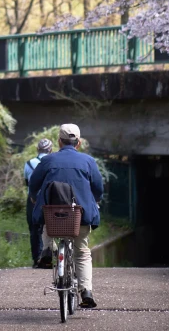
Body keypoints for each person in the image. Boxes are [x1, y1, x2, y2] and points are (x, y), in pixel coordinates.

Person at [28, 123, 103, 309]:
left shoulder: (48, 160)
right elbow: (99, 188)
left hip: (54, 215)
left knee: (46, 221)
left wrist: (33, 198)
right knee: (82, 253)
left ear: (59, 142)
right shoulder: (88, 161)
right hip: (80, 215)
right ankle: (86, 291)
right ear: (78, 143)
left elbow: (33, 185)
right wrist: (96, 200)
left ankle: (47, 249)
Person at [24, 137, 53, 266]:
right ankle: (48, 257)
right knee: (51, 227)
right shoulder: (53, 162)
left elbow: (26, 182)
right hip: (50, 199)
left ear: (37, 149)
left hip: (33, 199)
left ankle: (36, 259)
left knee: (34, 229)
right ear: (51, 150)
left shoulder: (29, 163)